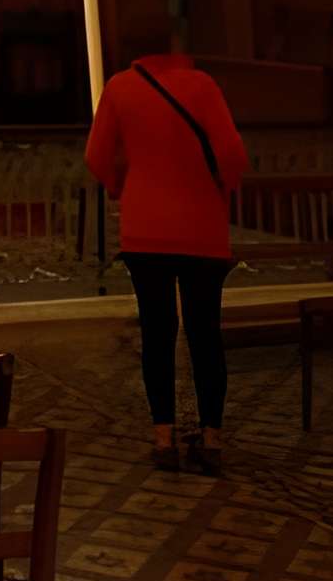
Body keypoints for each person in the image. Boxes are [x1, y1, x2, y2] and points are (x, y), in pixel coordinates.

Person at [85, 27, 247, 475]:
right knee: (205, 335)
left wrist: (125, 188)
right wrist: (220, 190)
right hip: (202, 228)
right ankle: (211, 439)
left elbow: (96, 156)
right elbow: (232, 152)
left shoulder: (120, 87)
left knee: (157, 336)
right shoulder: (202, 85)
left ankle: (163, 437)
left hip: (145, 230)